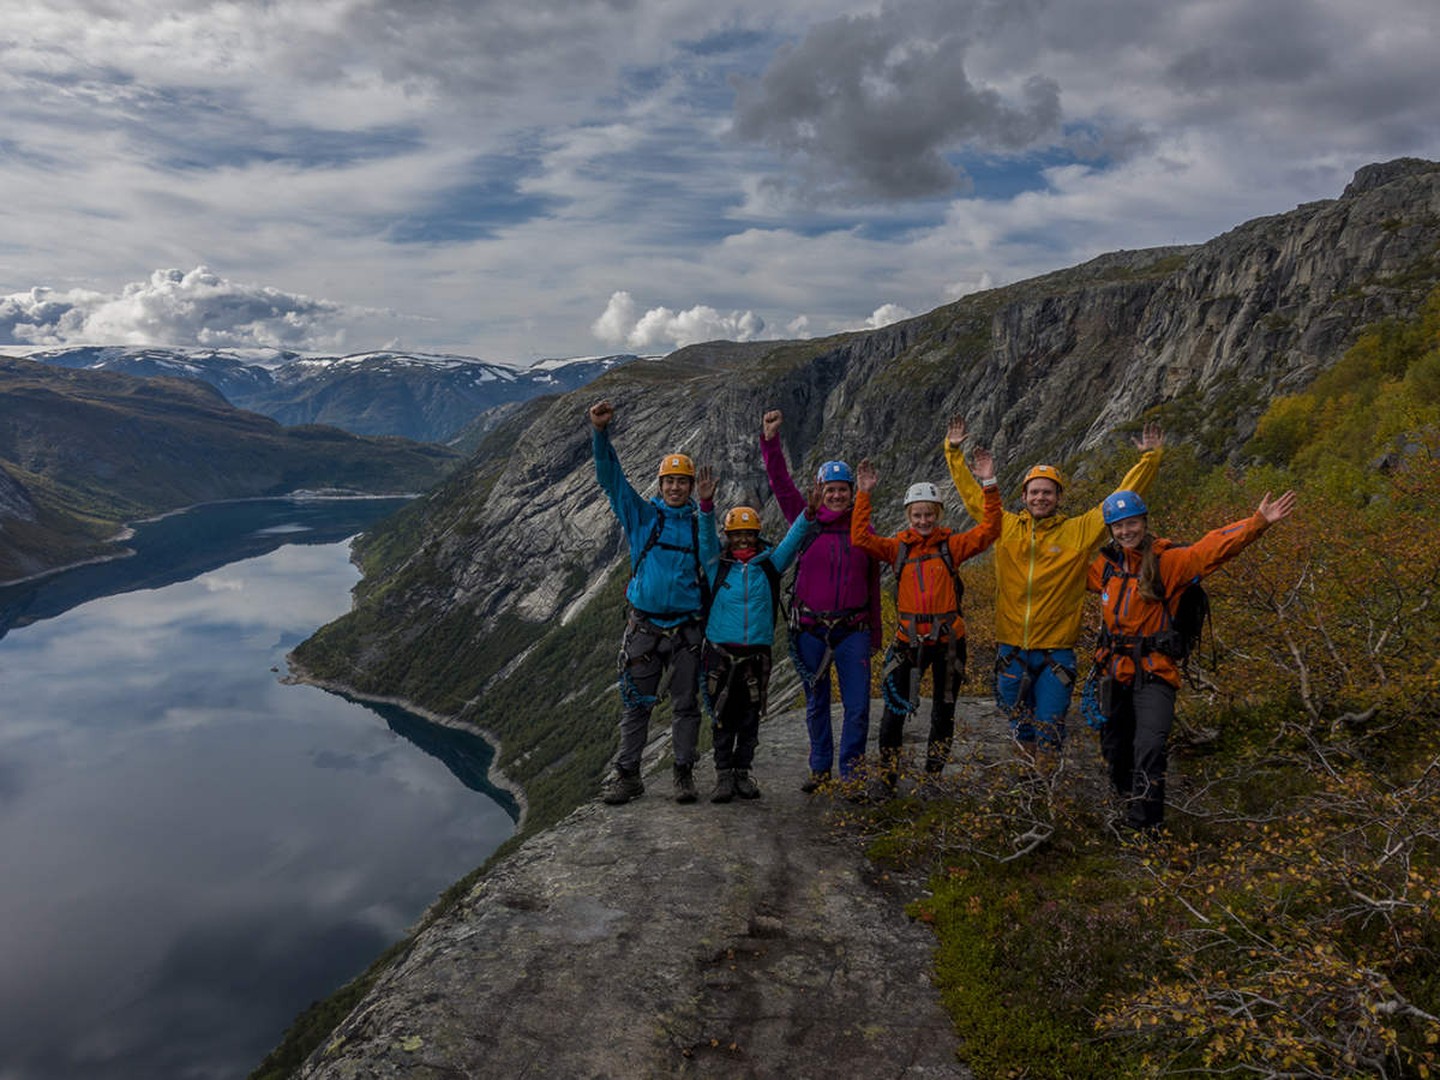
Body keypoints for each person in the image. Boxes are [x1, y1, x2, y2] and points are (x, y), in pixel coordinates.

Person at [946, 418, 1165, 754]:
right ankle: (1028, 784)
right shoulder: (1004, 526)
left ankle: (1045, 787)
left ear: (1059, 496)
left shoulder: (1079, 530)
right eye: (1035, 491)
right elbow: (974, 499)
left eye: (1048, 491)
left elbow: (1120, 499)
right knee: (1018, 722)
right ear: (1024, 496)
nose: (1041, 497)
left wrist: (1149, 460)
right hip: (1012, 647)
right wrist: (954, 453)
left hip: (1056, 651)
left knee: (1050, 726)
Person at [1087, 487, 1298, 831]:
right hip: (1113, 671)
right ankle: (1124, 806)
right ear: (1111, 530)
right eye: (1118, 526)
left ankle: (1145, 829)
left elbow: (1212, 548)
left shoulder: (1168, 563)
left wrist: (1258, 523)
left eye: (1132, 523)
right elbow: (1062, 578)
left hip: (1154, 672)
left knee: (1150, 747)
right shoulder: (1105, 568)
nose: (1126, 531)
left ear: (1144, 522)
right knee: (1115, 748)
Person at [850, 446, 1002, 798]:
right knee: (893, 714)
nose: (923, 521)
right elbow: (859, 538)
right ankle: (887, 779)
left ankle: (932, 778)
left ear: (937, 514)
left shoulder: (953, 545)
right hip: (909, 642)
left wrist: (989, 484)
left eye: (928, 515)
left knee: (943, 711)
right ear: (908, 515)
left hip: (949, 643)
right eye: (917, 515)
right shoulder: (896, 548)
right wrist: (864, 494)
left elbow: (992, 528)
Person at [589, 399, 718, 806]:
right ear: (660, 485)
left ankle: (683, 774)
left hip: (685, 631)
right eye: (669, 481)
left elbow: (715, 562)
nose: (675, 487)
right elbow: (612, 479)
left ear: (692, 484)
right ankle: (628, 776)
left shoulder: (700, 526)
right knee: (637, 706)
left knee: (685, 706)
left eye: (683, 481)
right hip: (645, 628)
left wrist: (711, 509)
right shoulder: (643, 518)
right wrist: (599, 433)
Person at [760, 409, 882, 792]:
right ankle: (820, 768)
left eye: (842, 489)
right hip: (811, 630)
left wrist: (876, 632)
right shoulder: (805, 518)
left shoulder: (865, 530)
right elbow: (779, 482)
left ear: (851, 493)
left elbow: (874, 584)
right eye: (830, 489)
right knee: (817, 703)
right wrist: (770, 442)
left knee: (858, 706)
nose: (836, 495)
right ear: (820, 491)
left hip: (853, 629)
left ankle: (852, 773)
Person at [703, 496, 819, 803]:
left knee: (750, 717)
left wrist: (807, 515)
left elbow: (792, 542)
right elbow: (704, 537)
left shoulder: (769, 565)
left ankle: (741, 772)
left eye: (748, 534)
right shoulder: (717, 565)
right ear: (727, 538)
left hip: (755, 655)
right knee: (722, 716)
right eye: (737, 535)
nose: (743, 539)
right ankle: (724, 775)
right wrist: (705, 505)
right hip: (720, 653)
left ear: (757, 536)